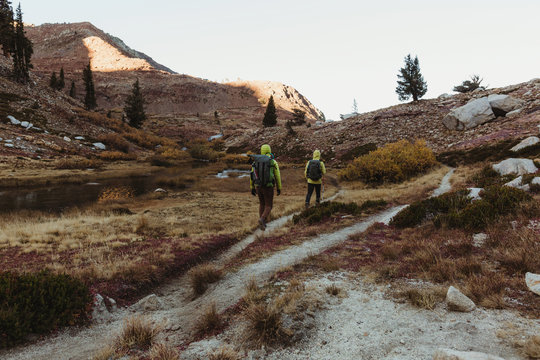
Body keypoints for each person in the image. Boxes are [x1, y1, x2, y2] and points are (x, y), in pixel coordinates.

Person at [250, 144, 282, 230]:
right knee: (269, 206)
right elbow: (277, 176)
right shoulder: (272, 161)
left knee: (262, 204)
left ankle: (262, 223)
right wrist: (279, 188)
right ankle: (262, 219)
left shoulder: (256, 161)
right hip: (268, 186)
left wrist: (252, 187)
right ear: (269, 150)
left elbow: (252, 175)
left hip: (258, 186)